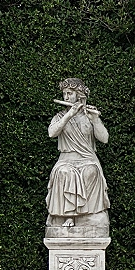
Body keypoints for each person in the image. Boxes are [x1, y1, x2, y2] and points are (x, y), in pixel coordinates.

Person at [46, 77, 110, 230]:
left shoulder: (89, 116)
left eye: (70, 94)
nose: (66, 97)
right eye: (64, 94)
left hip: (88, 159)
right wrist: (69, 115)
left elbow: (104, 139)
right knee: (64, 172)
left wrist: (96, 120)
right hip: (66, 159)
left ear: (79, 95)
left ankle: (88, 215)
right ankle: (68, 215)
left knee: (91, 172)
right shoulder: (60, 117)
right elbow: (51, 133)